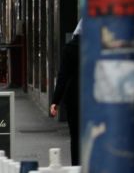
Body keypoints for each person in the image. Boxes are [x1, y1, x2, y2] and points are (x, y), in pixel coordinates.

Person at [51, 21, 81, 165]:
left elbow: (62, 76)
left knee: (75, 136)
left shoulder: (69, 48)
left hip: (74, 98)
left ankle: (77, 165)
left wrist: (55, 101)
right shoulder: (98, 47)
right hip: (95, 98)